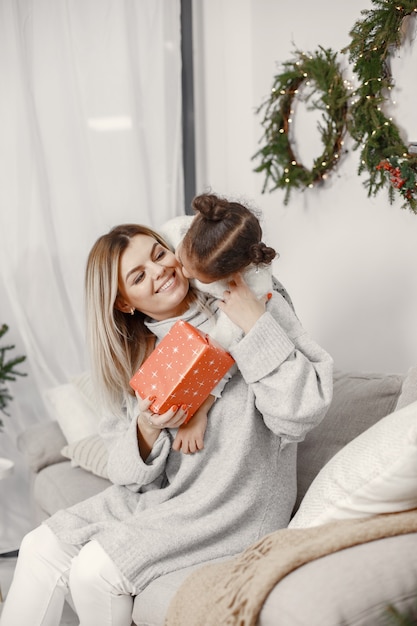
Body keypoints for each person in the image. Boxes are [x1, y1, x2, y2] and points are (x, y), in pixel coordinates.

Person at [0, 222, 333, 626]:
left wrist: (255, 322)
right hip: (166, 499)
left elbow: (301, 413)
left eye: (159, 254)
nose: (160, 271)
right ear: (124, 303)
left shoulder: (248, 298)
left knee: (94, 571)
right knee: (39, 544)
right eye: (139, 276)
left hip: (234, 504)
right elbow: (126, 476)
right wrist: (147, 428)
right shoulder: (139, 357)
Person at [160, 192, 293, 454]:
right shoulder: (173, 231)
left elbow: (220, 355)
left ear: (231, 276)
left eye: (197, 275)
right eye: (183, 260)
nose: (182, 273)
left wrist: (200, 411)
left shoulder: (251, 287)